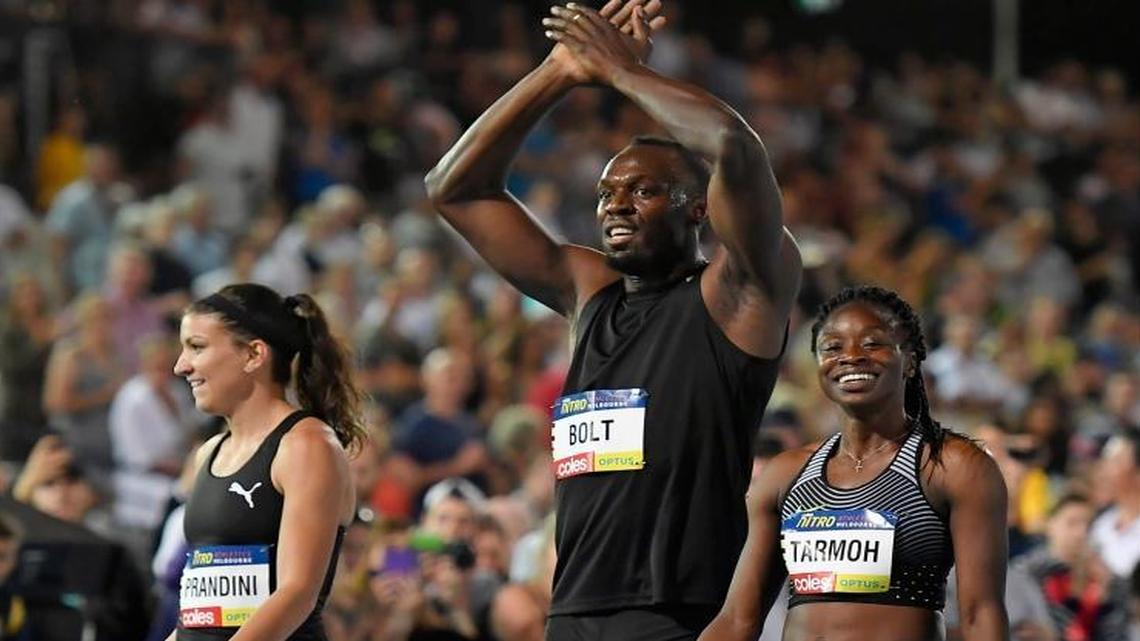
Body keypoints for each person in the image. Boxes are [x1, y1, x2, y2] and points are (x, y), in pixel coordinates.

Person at [425, 1, 801, 638]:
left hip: (680, 613)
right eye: (606, 192)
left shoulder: (738, 291)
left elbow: (733, 145)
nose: (616, 205)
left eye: (643, 190)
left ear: (697, 211)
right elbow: (453, 189)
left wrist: (620, 72)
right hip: (572, 610)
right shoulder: (590, 290)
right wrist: (560, 69)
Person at [700, 286, 1008, 641]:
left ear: (909, 360)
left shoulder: (951, 466)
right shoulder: (785, 474)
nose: (851, 356)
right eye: (832, 347)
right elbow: (738, 618)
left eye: (872, 343)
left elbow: (980, 614)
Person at [169, 283, 367, 640]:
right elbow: (198, 615)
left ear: (253, 355)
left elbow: (296, 593)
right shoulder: (208, 453)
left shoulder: (306, 446)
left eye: (196, 347)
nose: (181, 366)